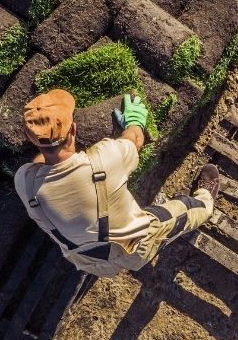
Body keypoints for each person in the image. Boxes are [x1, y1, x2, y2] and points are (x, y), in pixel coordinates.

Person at [14, 88, 219, 277]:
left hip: (90, 263)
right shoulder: (104, 158)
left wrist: (47, 144)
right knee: (185, 209)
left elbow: (39, 164)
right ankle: (206, 201)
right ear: (74, 130)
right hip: (137, 246)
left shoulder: (25, 183)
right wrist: (134, 121)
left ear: (30, 138)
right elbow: (135, 138)